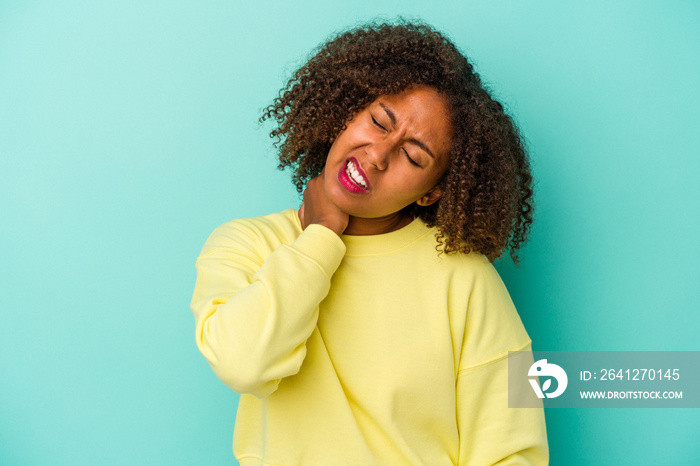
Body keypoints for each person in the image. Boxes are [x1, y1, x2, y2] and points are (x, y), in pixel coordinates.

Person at [190, 20, 548, 465]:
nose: (377, 155)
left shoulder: (468, 281)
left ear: (431, 192)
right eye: (379, 121)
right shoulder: (247, 244)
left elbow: (513, 451)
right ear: (348, 110)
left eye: (413, 156)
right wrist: (320, 236)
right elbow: (243, 365)